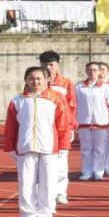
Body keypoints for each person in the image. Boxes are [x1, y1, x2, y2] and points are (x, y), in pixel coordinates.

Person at [3, 66, 71, 217]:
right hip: (25, 147)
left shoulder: (56, 98)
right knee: (26, 183)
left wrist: (63, 146)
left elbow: (63, 124)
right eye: (32, 78)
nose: (36, 82)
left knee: (48, 182)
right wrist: (10, 147)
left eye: (39, 78)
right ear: (26, 80)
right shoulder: (18, 100)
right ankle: (28, 214)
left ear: (46, 80)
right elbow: (11, 126)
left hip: (49, 147)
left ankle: (45, 213)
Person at [39, 50, 76, 206]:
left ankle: (60, 192)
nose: (48, 67)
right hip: (43, 128)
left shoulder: (66, 83)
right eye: (44, 64)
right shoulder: (37, 81)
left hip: (63, 127)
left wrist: (72, 126)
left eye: (51, 64)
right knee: (45, 163)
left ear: (57, 65)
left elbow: (72, 105)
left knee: (61, 162)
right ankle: (46, 193)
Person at [75, 62, 109, 180]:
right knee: (86, 149)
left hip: (101, 122)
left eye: (95, 70)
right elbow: (73, 104)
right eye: (90, 70)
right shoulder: (78, 87)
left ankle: (98, 172)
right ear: (86, 71)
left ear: (99, 72)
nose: (92, 72)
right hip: (84, 122)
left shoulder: (105, 87)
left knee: (100, 148)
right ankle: (86, 172)